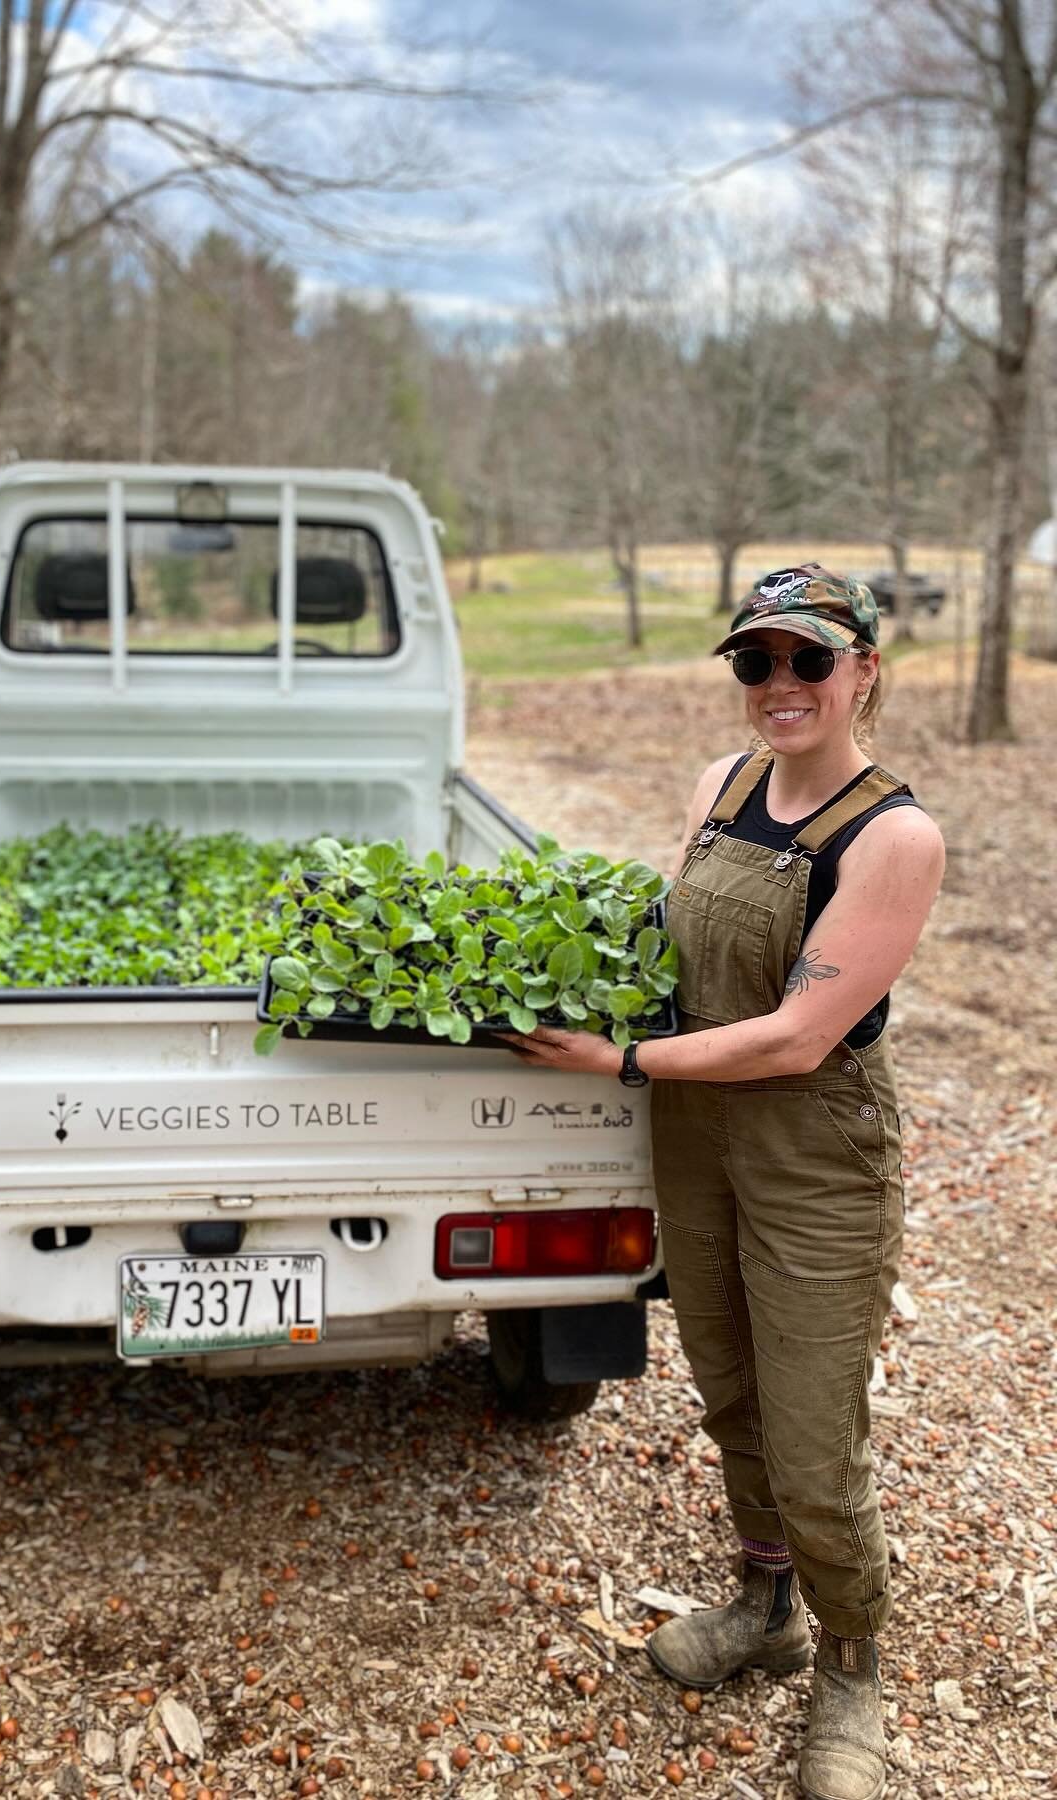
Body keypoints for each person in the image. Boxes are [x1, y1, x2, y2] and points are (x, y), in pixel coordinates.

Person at [500, 565, 945, 1800]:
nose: (780, 686)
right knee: (730, 1389)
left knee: (814, 1430)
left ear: (863, 667)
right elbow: (673, 949)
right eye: (756, 662)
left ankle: (852, 1669)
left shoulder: (892, 835)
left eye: (808, 659)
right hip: (696, 1130)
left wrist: (621, 1057)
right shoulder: (721, 787)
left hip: (813, 1144)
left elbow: (800, 1035)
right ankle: (767, 1606)